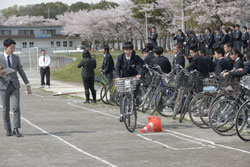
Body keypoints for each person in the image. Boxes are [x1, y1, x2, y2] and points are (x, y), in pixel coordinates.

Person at [0, 38, 32, 137]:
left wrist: (27, 84)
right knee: (5, 109)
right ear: (5, 47)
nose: (13, 50)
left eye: (14, 48)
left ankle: (16, 129)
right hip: (3, 85)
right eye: (11, 48)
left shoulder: (16, 58)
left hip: (15, 85)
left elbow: (21, 71)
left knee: (16, 107)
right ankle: (8, 129)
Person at [115, 42, 143, 121]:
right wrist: (117, 76)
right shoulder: (120, 57)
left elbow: (140, 66)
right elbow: (117, 68)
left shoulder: (136, 58)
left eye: (129, 50)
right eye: (126, 50)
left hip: (133, 77)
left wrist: (139, 74)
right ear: (124, 50)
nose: (127, 52)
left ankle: (134, 97)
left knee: (137, 83)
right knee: (122, 94)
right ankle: (121, 114)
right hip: (123, 78)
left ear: (132, 50)